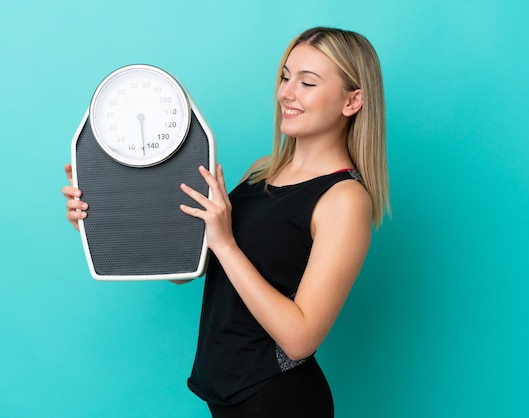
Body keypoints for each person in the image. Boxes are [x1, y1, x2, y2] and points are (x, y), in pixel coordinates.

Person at [63, 26, 389, 418]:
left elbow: (300, 340)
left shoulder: (345, 199)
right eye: (286, 77)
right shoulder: (260, 173)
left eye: (308, 82)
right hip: (225, 394)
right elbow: (190, 268)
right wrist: (102, 225)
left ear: (352, 101)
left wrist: (225, 242)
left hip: (278, 400)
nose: (287, 92)